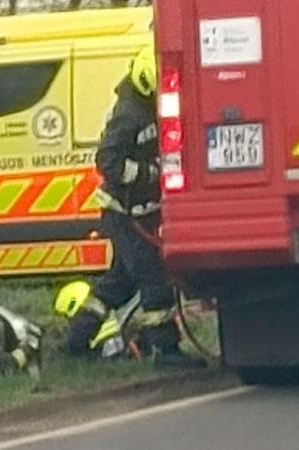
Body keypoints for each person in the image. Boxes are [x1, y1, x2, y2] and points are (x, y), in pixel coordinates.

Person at [92, 44, 200, 368]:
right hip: (124, 213)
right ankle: (165, 352)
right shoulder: (128, 114)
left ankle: (76, 340)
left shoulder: (150, 105)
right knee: (153, 276)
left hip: (141, 210)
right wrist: (147, 174)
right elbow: (107, 161)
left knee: (120, 283)